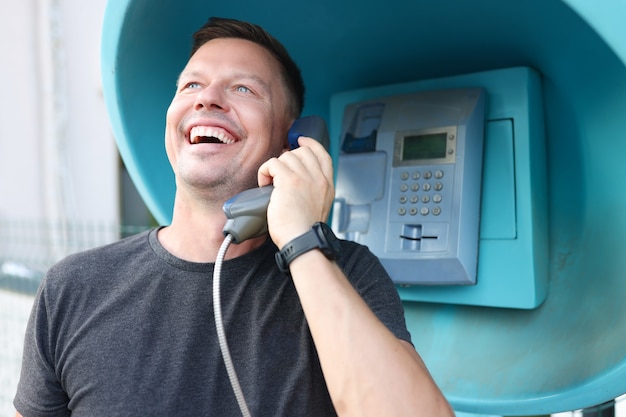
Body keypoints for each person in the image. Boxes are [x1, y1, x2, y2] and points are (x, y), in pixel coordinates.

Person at [14, 17, 454, 417]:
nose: (207, 99)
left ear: (293, 141)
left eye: (243, 89)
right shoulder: (71, 288)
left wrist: (303, 242)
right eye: (190, 86)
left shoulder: (346, 274)